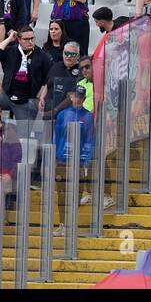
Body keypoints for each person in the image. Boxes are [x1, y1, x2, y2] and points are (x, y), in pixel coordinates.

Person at [52, 85, 94, 236]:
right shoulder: (63, 115)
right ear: (71, 97)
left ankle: (71, 223)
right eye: (76, 96)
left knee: (76, 192)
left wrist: (86, 160)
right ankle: (63, 224)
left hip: (78, 161)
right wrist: (54, 156)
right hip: (62, 159)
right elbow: (56, 136)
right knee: (62, 193)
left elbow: (89, 138)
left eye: (81, 96)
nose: (78, 99)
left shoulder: (88, 116)